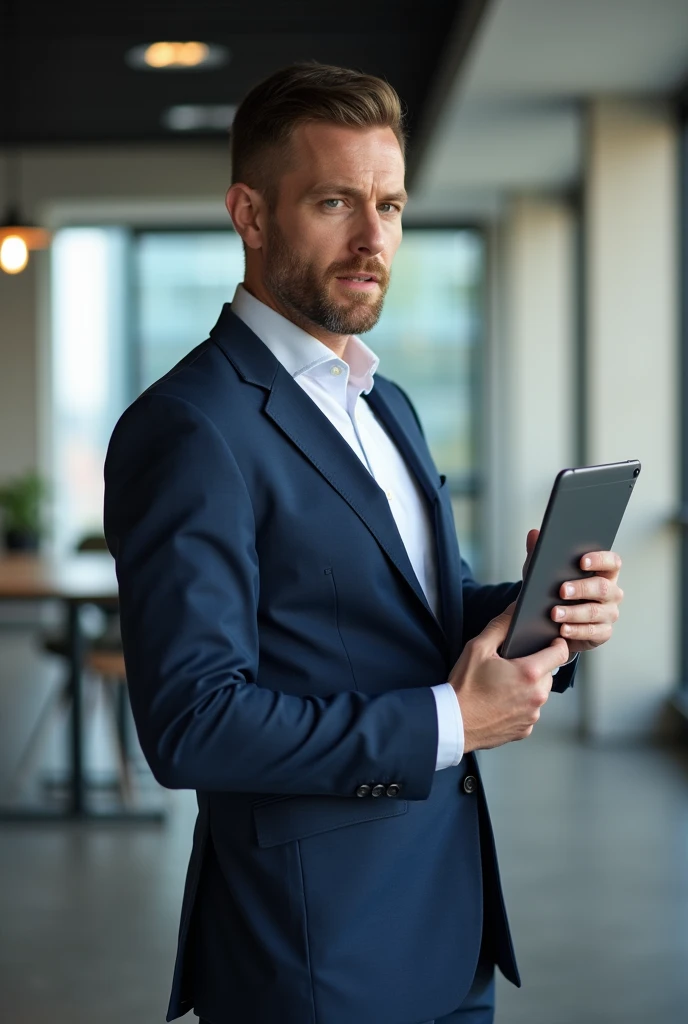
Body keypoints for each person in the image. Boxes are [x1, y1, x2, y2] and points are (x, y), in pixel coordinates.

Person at [103, 63, 624, 1024]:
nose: (373, 238)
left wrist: (544, 615)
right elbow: (191, 724)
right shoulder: (189, 427)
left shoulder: (388, 403)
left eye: (389, 204)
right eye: (335, 201)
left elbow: (418, 615)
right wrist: (449, 725)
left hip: (451, 926)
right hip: (313, 961)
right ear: (250, 215)